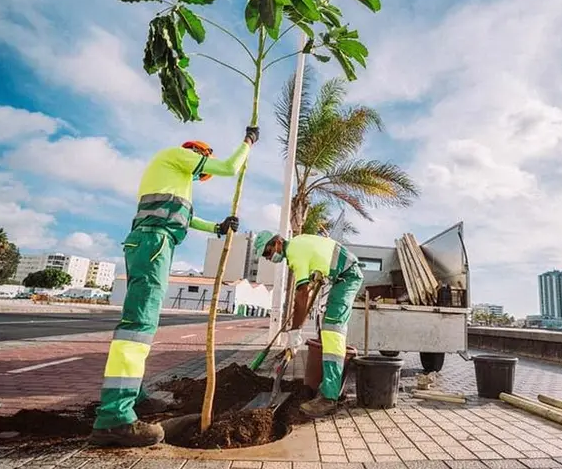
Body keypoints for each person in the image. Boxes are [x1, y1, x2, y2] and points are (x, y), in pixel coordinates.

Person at [89, 127, 258, 447]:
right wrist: (248, 143)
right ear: (199, 153)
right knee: (139, 325)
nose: (200, 177)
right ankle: (114, 417)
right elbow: (229, 168)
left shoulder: (174, 180)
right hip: (154, 241)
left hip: (153, 241)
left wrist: (217, 227)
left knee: (137, 322)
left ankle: (135, 396)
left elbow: (188, 219)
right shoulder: (180, 155)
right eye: (202, 170)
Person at [253, 230, 363, 417]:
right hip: (341, 276)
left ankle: (329, 398)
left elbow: (302, 295)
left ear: (278, 242)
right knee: (327, 330)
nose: (269, 257)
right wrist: (316, 275)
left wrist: (295, 334)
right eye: (266, 256)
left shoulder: (295, 252)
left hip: (348, 276)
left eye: (268, 252)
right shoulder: (298, 244)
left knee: (332, 329)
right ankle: (331, 388)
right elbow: (318, 256)